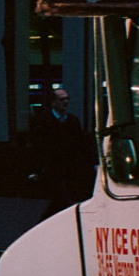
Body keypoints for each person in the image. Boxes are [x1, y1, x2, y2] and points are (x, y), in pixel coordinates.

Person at [26, 85, 96, 218]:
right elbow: (36, 146)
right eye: (62, 99)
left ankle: (46, 223)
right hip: (52, 168)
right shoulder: (43, 121)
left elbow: (80, 144)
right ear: (53, 102)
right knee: (62, 198)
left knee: (61, 200)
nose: (65, 102)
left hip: (69, 168)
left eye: (67, 99)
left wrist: (92, 163)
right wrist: (34, 169)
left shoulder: (72, 121)